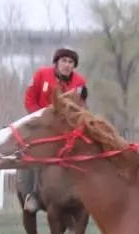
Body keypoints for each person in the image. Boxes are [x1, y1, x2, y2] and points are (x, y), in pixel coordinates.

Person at [19, 47, 89, 212]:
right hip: (41, 124)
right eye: (63, 61)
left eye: (71, 62)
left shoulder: (79, 82)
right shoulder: (41, 75)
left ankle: (85, 192)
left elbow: (82, 106)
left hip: (66, 129)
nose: (67, 65)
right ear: (56, 62)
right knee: (28, 152)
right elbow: (29, 100)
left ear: (74, 65)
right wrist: (42, 118)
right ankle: (31, 194)